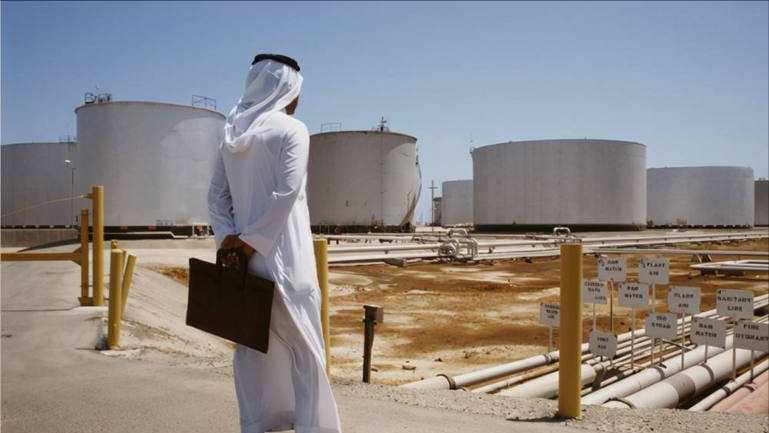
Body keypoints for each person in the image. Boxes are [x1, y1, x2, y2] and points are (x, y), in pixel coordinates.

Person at [207, 54, 342, 433]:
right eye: (296, 90)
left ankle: (256, 424)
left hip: (241, 263)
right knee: (305, 350)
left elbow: (216, 197)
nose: (298, 99)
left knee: (251, 348)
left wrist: (230, 240)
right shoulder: (293, 130)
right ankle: (315, 427)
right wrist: (253, 241)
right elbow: (287, 192)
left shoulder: (230, 135)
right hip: (287, 261)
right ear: (285, 89)